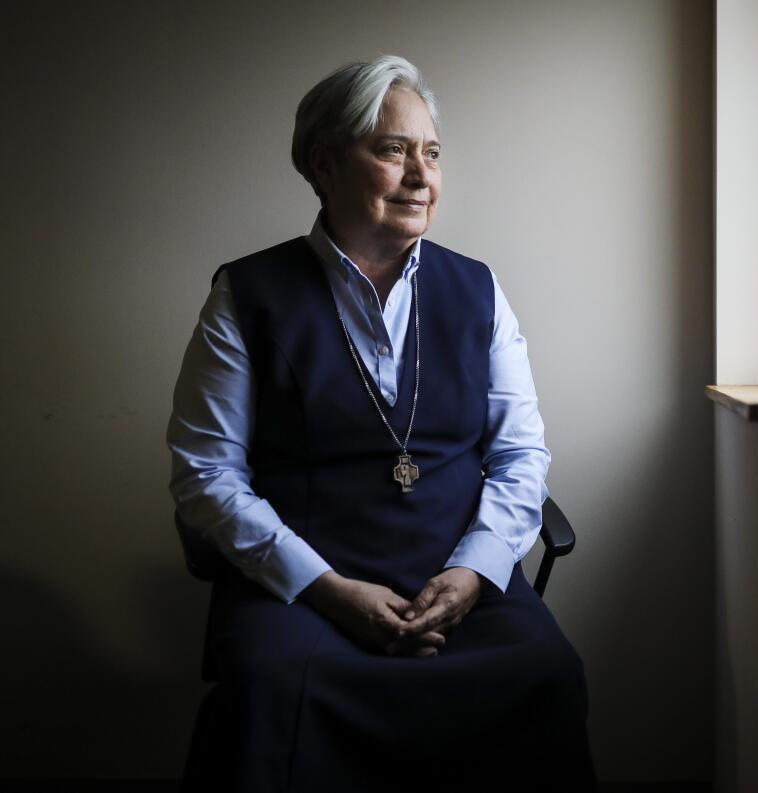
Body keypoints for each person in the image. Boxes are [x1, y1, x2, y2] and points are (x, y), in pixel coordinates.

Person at [167, 55, 596, 792]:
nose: (421, 175)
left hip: (456, 581)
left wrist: (472, 571)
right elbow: (206, 476)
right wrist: (329, 588)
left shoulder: (479, 289)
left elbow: (523, 456)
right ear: (324, 164)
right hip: (305, 589)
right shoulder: (248, 294)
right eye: (393, 149)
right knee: (273, 688)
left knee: (548, 670)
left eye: (431, 153)